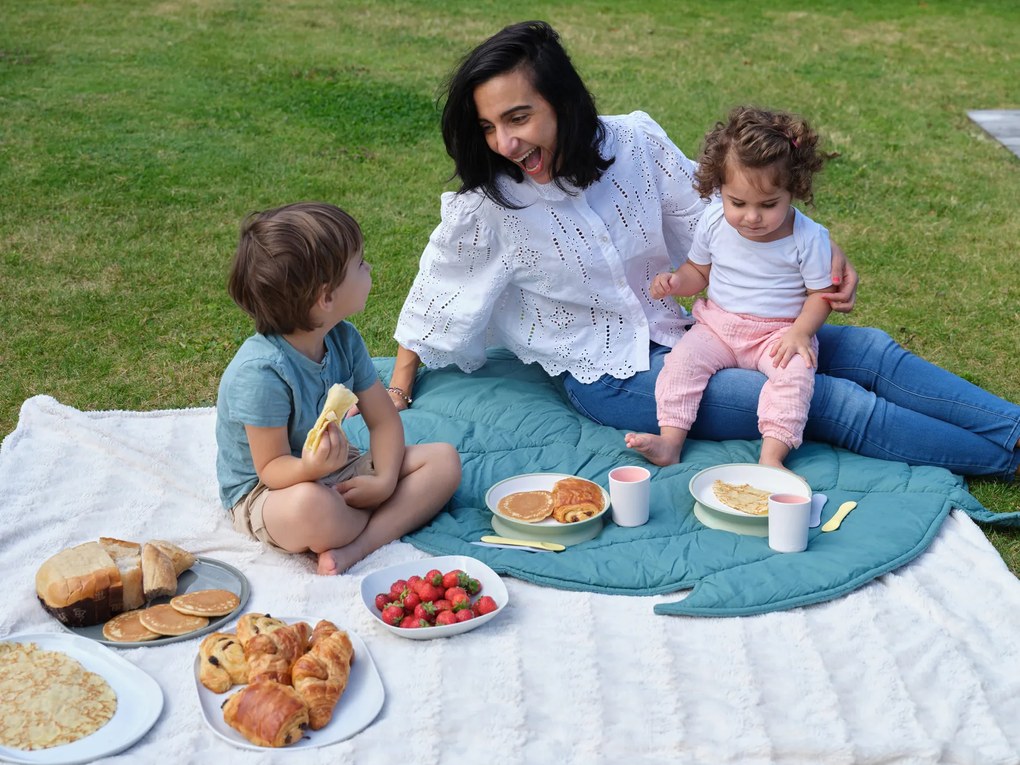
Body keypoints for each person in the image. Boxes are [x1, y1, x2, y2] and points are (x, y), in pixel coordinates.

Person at [391, 20, 1020, 480]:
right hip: (616, 376)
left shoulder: (634, 143)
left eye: (519, 118)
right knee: (828, 400)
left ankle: (1013, 431)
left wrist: (820, 259)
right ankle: (1007, 461)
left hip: (708, 329)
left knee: (869, 351)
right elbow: (440, 291)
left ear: (562, 101)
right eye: (488, 127)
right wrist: (397, 385)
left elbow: (725, 216)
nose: (504, 142)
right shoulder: (492, 205)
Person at [215, 202, 461, 576]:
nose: (370, 269)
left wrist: (384, 480)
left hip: (333, 470)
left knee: (444, 460)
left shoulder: (343, 339)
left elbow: (384, 421)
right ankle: (387, 519)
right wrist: (310, 468)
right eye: (360, 264)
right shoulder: (260, 372)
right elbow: (270, 468)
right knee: (311, 507)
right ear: (325, 297)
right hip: (270, 492)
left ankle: (357, 546)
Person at [627, 106, 835, 468]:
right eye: (737, 202)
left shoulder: (808, 238)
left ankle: (772, 458)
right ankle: (670, 441)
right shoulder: (714, 221)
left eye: (769, 205)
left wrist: (801, 333)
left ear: (794, 191)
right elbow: (699, 271)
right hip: (719, 327)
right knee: (680, 365)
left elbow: (821, 295)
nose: (752, 217)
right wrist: (678, 281)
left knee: (795, 380)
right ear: (718, 188)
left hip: (778, 334)